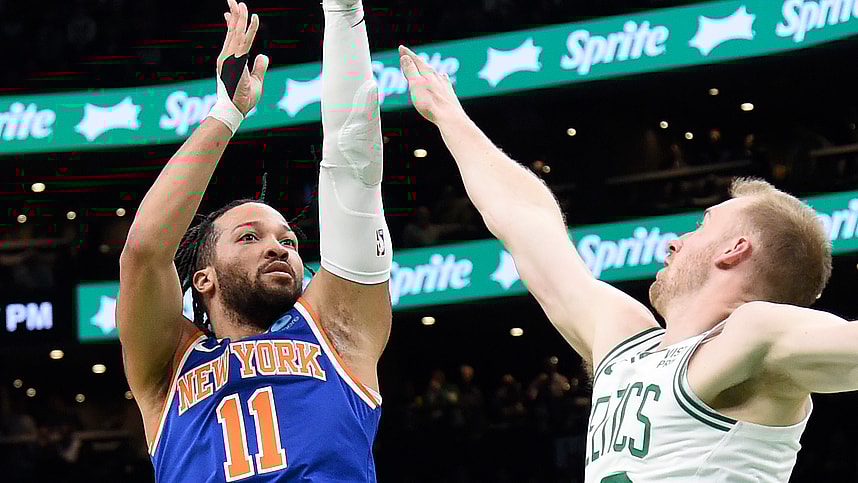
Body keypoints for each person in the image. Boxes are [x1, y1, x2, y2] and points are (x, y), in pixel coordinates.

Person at [398, 46, 857, 482]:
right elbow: (529, 224)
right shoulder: (625, 336)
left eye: (701, 226)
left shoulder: (756, 333)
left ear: (733, 249)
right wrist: (451, 119)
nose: (676, 242)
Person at [118, 0, 391, 480]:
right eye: (250, 236)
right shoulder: (168, 367)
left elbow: (354, 163)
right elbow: (144, 251)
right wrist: (226, 113)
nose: (279, 247)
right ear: (202, 279)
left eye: (288, 240)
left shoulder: (336, 335)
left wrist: (345, 11)